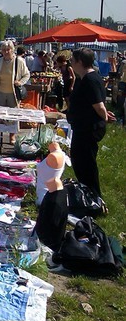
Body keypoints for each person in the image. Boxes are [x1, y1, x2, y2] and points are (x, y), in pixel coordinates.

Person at [66, 48, 115, 198]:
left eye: (72, 60)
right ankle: (86, 193)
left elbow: (99, 105)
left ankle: (94, 196)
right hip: (82, 127)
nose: (71, 63)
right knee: (79, 160)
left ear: (80, 61)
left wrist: (105, 116)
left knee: (86, 164)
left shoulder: (90, 79)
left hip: (88, 128)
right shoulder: (84, 78)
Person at [0, 40, 30, 144]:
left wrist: (20, 82)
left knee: (13, 116)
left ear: (12, 50)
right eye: (4, 50)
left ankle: (12, 137)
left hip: (13, 93)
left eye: (8, 50)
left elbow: (27, 74)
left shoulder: (19, 61)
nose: (6, 52)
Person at [34, 141, 69, 253]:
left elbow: (49, 228)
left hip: (45, 192)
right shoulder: (61, 154)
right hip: (51, 187)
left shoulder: (53, 156)